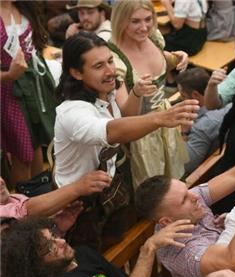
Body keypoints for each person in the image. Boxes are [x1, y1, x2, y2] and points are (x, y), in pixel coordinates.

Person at [53, 32, 198, 188]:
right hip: (76, 202)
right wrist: (160, 118)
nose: (110, 71)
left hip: (108, 187)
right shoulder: (72, 111)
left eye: (110, 61)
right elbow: (111, 132)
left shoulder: (109, 90)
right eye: (99, 66)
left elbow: (125, 116)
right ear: (76, 73)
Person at [1, 217, 193, 277]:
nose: (60, 241)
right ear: (36, 265)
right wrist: (148, 249)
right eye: (50, 247)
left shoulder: (81, 254)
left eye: (53, 235)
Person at [109, 0, 193, 188]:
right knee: (152, 191)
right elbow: (126, 115)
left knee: (174, 182)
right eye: (135, 21)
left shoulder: (154, 38)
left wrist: (178, 58)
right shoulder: (114, 58)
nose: (144, 27)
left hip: (166, 123)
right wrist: (137, 93)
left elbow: (162, 63)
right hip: (140, 133)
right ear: (121, 20)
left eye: (148, 19)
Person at [1, 0, 57, 186]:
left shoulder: (24, 6)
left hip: (35, 86)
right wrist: (9, 75)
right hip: (8, 92)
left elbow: (37, 46)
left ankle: (40, 201)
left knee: (37, 145)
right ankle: (24, 209)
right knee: (21, 153)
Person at [0, 172, 110, 234]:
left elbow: (33, 241)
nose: (1, 182)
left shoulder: (13, 198)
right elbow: (24, 212)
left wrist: (57, 228)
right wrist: (77, 188)